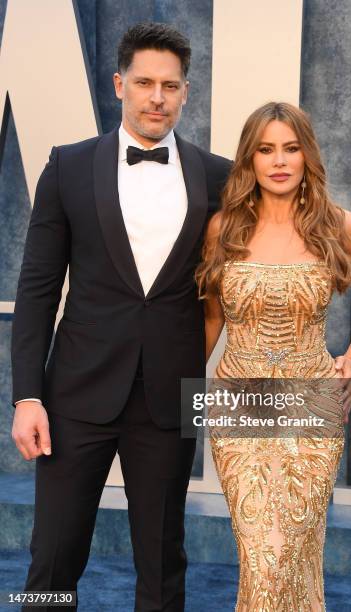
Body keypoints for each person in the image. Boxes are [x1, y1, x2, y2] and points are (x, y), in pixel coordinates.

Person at [10, 22, 231, 612]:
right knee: (53, 556)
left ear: (185, 92)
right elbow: (36, 290)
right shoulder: (69, 166)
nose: (157, 97)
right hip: (74, 394)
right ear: (119, 85)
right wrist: (26, 396)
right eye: (144, 83)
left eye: (170, 85)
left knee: (163, 560)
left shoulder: (219, 176)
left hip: (168, 398)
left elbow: (248, 274)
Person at [196, 101, 351, 611]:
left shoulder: (338, 225)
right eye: (266, 149)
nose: (279, 160)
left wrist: (349, 357)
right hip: (239, 407)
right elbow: (213, 318)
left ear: (307, 155)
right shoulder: (224, 228)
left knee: (295, 553)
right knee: (264, 553)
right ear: (250, 160)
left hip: (311, 409)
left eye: (291, 148)